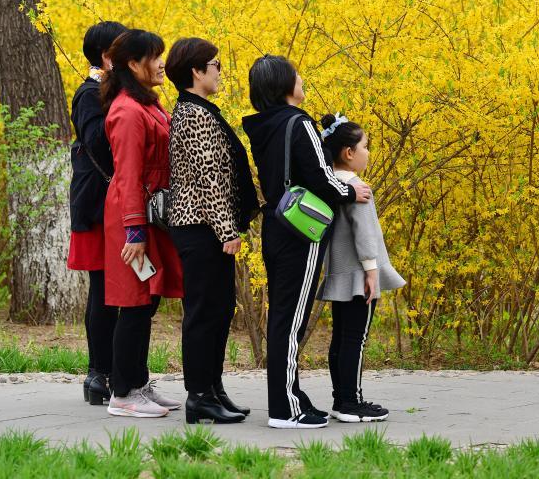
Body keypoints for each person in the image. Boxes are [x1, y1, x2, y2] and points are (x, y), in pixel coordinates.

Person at [242, 55, 372, 430]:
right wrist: (350, 189)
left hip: (275, 227)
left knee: (284, 316)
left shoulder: (263, 126)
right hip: (301, 232)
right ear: (285, 86)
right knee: (290, 318)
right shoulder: (299, 123)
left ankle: (291, 397)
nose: (303, 79)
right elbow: (320, 177)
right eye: (297, 75)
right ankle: (285, 408)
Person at [165, 37, 260, 424]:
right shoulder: (193, 114)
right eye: (216, 64)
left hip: (208, 227)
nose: (220, 71)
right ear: (196, 71)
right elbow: (209, 178)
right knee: (205, 312)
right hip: (201, 228)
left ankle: (213, 387)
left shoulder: (200, 110)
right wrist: (226, 229)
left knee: (219, 310)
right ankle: (199, 395)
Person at [101, 29, 184, 418]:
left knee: (146, 302)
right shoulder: (127, 111)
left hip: (150, 216)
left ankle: (137, 382)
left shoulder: (146, 103)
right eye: (155, 56)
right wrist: (134, 230)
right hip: (133, 218)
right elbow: (129, 173)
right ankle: (121, 393)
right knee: (133, 304)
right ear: (134, 64)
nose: (161, 63)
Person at [317, 113, 405, 423]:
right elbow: (366, 234)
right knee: (356, 339)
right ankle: (351, 402)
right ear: (348, 153)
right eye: (365, 146)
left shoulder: (331, 185)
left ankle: (341, 398)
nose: (369, 152)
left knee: (341, 338)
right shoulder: (356, 187)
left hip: (342, 274)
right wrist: (372, 273)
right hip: (360, 276)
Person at [68, 21, 126, 406]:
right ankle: (98, 372)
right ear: (107, 57)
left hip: (114, 203)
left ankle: (115, 371)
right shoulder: (90, 94)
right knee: (103, 290)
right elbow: (97, 143)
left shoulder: (112, 92)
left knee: (116, 291)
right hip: (98, 205)